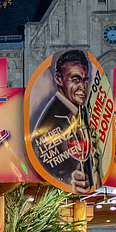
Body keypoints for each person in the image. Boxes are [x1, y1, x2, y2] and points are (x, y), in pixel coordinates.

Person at [29, 50, 96, 194]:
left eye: (85, 80)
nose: (83, 87)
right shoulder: (51, 122)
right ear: (59, 79)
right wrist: (74, 181)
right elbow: (56, 173)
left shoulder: (79, 112)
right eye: (75, 80)